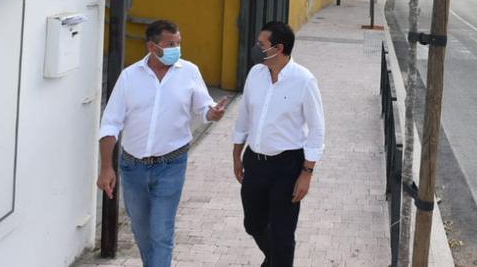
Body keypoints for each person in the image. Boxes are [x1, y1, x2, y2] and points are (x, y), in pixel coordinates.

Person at [97, 19, 226, 267]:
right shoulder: (129, 77)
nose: (176, 49)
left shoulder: (189, 71)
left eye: (178, 43)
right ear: (152, 47)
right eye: (170, 44)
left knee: (161, 232)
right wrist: (106, 168)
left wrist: (214, 113)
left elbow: (204, 107)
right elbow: (110, 124)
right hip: (133, 168)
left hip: (171, 165)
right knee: (142, 233)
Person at [233, 21, 326, 267]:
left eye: (261, 44)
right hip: (255, 161)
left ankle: (278, 260)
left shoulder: (304, 80)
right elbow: (244, 116)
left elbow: (317, 130)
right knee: (252, 223)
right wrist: (236, 155)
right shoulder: (256, 74)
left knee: (283, 234)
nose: (256, 48)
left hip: (287, 166)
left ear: (279, 48)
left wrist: (307, 173)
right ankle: (275, 260)